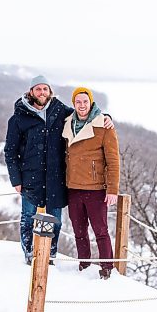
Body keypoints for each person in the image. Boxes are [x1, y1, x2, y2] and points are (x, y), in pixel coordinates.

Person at [4, 76, 113, 265]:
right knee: (28, 219)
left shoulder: (59, 110)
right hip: (30, 178)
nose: (42, 93)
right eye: (38, 89)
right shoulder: (18, 118)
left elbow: (84, 115)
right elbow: (10, 152)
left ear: (50, 91)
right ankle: (30, 254)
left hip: (56, 178)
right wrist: (16, 180)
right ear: (31, 92)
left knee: (56, 220)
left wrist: (105, 118)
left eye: (45, 89)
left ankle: (50, 255)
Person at [62, 87, 120, 280]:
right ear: (73, 103)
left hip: (96, 189)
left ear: (91, 102)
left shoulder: (104, 125)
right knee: (79, 231)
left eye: (85, 101)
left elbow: (113, 160)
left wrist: (112, 189)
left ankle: (107, 268)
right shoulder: (67, 124)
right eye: (78, 102)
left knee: (101, 231)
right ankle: (84, 265)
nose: (82, 105)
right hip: (73, 187)